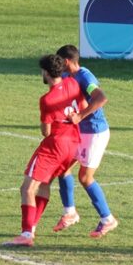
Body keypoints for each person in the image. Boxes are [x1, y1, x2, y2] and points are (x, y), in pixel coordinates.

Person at [4, 54, 81, 247]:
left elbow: (46, 132)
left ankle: (26, 234)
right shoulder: (72, 83)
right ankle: (32, 227)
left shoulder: (47, 99)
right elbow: (82, 107)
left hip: (55, 146)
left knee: (27, 189)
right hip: (73, 144)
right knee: (44, 184)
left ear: (46, 72)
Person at [52, 44, 118, 238]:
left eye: (58, 62)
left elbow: (101, 97)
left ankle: (108, 219)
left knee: (85, 177)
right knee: (62, 168)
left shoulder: (85, 77)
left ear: (66, 62)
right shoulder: (66, 76)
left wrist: (80, 115)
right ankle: (70, 213)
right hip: (80, 132)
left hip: (94, 132)